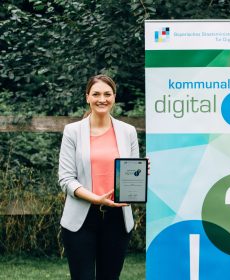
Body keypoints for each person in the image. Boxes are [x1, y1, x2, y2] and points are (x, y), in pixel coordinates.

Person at [58, 74, 140, 279]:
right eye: (96, 94)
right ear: (87, 97)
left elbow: (132, 174)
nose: (101, 99)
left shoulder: (128, 131)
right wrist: (96, 199)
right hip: (81, 219)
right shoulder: (72, 131)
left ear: (114, 98)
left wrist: (140, 173)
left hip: (118, 219)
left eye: (107, 94)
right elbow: (66, 179)